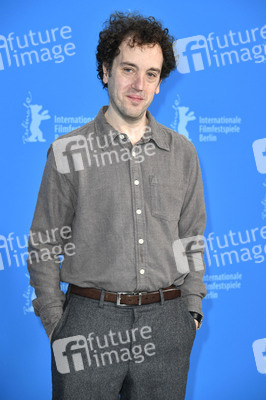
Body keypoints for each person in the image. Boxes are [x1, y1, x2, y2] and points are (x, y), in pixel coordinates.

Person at [27, 11, 207, 400]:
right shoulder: (68, 152)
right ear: (105, 71)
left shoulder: (182, 153)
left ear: (160, 84)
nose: (139, 85)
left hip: (167, 325)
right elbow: (43, 245)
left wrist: (191, 312)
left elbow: (192, 237)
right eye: (128, 69)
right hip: (89, 325)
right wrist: (58, 325)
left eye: (152, 74)